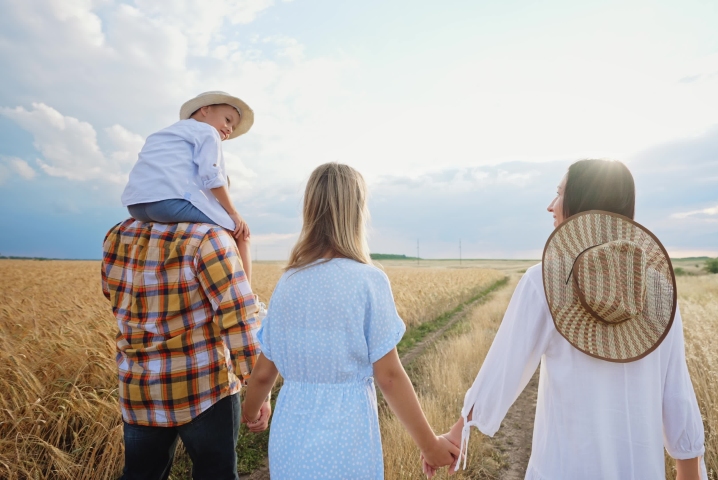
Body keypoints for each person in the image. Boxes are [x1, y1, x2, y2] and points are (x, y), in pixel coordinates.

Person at [433, 159, 707, 480]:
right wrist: (688, 469)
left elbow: (503, 370)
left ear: (582, 201)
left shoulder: (547, 281)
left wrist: (457, 434)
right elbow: (676, 392)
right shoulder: (658, 289)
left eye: (560, 193)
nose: (551, 206)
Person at [241, 162, 459, 479]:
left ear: (309, 210)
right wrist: (429, 445)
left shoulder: (288, 282)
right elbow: (389, 377)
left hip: (290, 441)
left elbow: (263, 373)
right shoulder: (368, 281)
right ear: (357, 213)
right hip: (347, 442)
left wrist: (252, 411)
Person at [101, 218, 270, 480]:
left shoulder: (118, 234)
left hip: (139, 388)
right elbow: (238, 317)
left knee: (140, 475)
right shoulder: (208, 237)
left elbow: (111, 293)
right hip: (205, 389)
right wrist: (258, 388)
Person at [121, 91, 255, 284]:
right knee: (242, 233)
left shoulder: (162, 135)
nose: (229, 129)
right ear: (205, 110)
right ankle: (248, 299)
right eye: (227, 119)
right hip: (168, 204)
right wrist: (234, 214)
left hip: (136, 206)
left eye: (232, 127)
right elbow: (212, 176)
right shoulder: (207, 131)